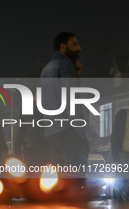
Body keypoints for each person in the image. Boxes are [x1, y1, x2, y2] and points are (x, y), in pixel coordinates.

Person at [41, 32, 89, 173]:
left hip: (51, 131)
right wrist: (80, 132)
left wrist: (76, 76)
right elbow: (70, 99)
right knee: (76, 177)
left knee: (59, 179)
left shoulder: (46, 69)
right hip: (68, 130)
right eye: (74, 44)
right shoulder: (66, 65)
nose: (79, 48)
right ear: (63, 47)